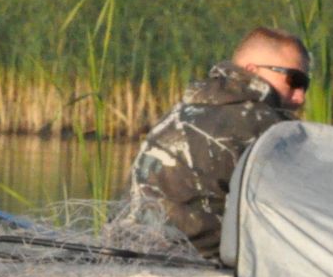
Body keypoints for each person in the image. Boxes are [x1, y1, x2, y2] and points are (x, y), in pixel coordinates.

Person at [128, 26, 309, 261]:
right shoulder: (268, 127)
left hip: (135, 246)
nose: (300, 96)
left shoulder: (187, 108)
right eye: (294, 80)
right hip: (197, 264)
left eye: (306, 84)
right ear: (253, 70)